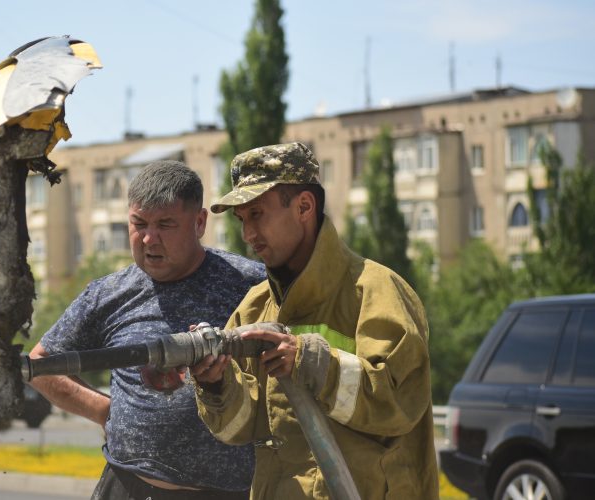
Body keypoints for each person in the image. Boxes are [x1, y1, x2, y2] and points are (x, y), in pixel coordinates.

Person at [190, 143, 439, 500]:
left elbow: (399, 403)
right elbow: (237, 429)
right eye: (242, 220)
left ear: (304, 206)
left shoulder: (374, 291)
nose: (248, 235)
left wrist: (313, 362)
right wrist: (217, 383)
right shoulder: (254, 307)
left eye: (257, 214)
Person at [29, 160, 266, 499]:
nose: (148, 238)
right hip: (126, 486)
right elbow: (40, 365)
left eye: (165, 224)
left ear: (199, 222)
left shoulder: (249, 284)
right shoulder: (108, 293)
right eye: (138, 223)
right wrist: (105, 412)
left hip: (228, 492)